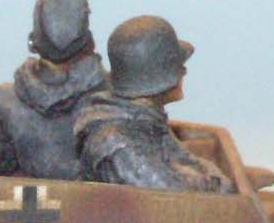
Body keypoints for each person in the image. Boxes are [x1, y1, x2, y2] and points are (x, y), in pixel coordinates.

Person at [73, 16, 230, 193]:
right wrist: (215, 182)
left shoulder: (145, 121)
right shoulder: (118, 144)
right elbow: (173, 195)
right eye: (179, 67)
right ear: (163, 78)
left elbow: (184, 160)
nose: (184, 73)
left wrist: (214, 178)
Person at [0, 0, 110, 180]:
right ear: (88, 39)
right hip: (91, 199)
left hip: (31, 199)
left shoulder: (6, 100)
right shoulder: (110, 97)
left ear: (35, 40)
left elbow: (5, 172)